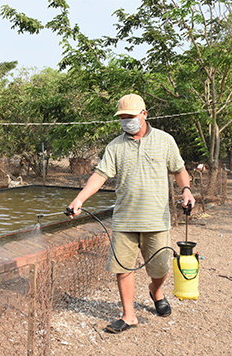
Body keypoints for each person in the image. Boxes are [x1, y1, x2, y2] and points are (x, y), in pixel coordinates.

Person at [67, 93, 195, 334]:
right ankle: (129, 315)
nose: (126, 121)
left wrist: (186, 190)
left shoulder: (165, 140)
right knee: (123, 267)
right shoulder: (115, 146)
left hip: (156, 220)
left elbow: (180, 170)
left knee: (160, 269)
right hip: (125, 220)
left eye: (130, 116)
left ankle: (156, 291)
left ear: (144, 115)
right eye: (122, 117)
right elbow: (100, 176)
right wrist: (79, 198)